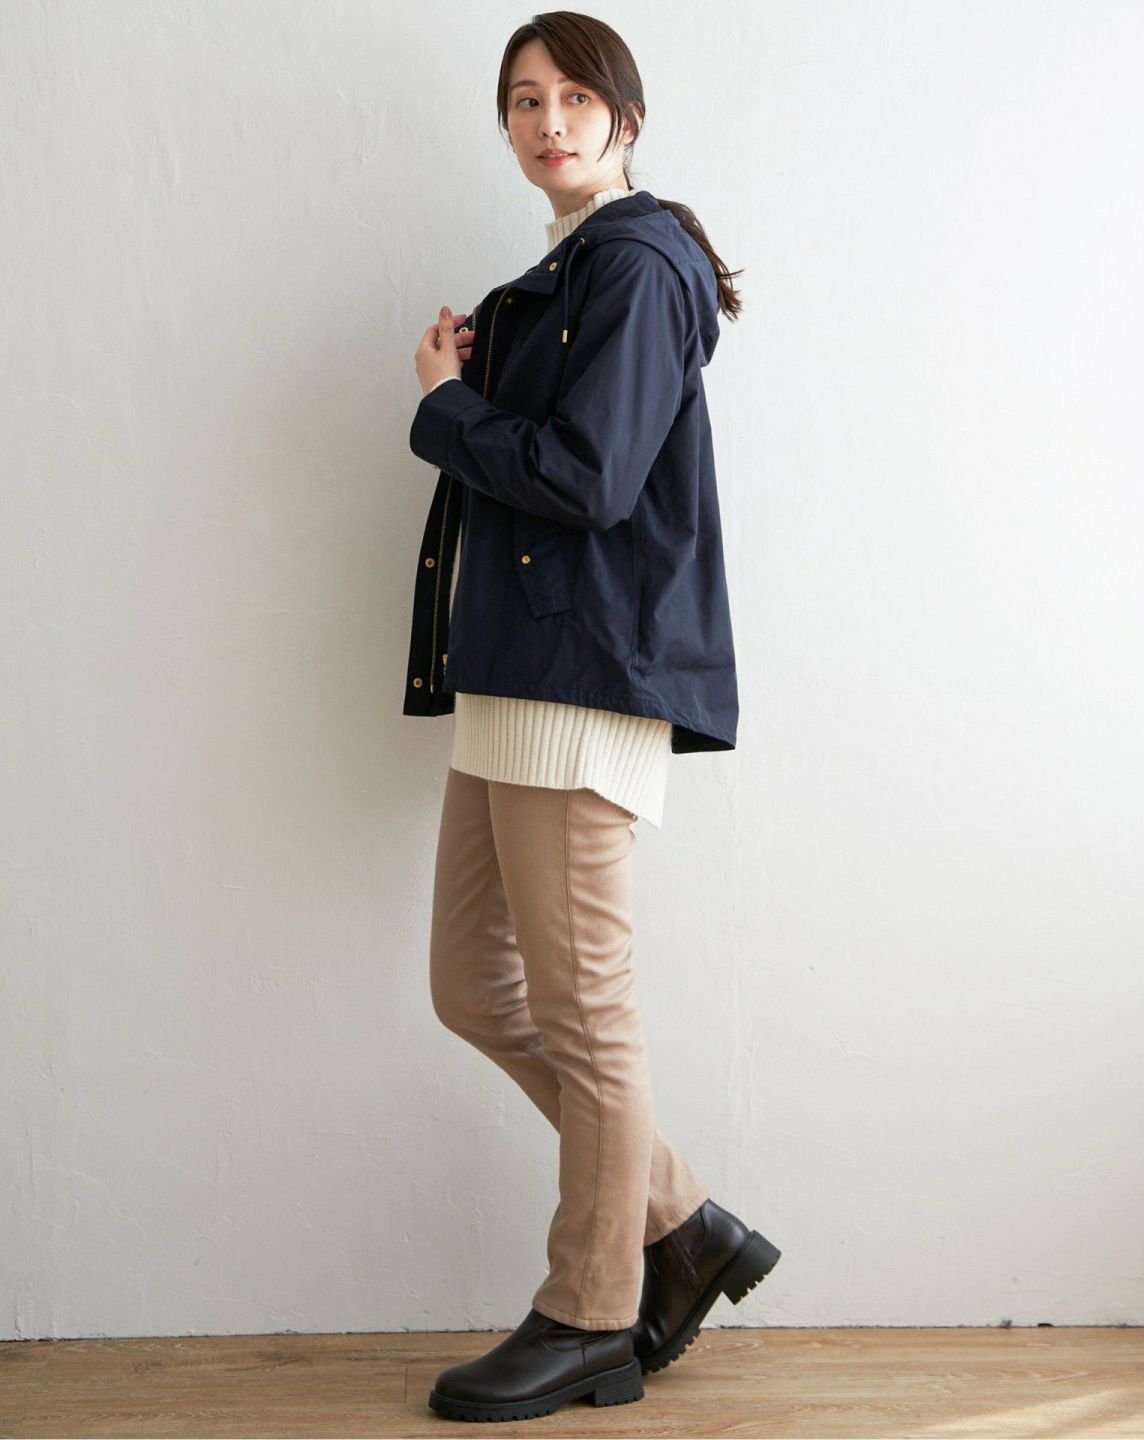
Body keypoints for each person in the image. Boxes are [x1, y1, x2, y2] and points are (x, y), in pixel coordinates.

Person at [405, 11, 780, 1424]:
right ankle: (681, 1219)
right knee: (473, 986)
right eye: (522, 100)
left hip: (581, 673)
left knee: (584, 1011)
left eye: (572, 96)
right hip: (518, 673)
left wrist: (447, 406)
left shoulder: (635, 261)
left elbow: (590, 477)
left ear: (625, 115)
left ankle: (590, 1312)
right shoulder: (570, 269)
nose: (547, 120)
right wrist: (482, 368)